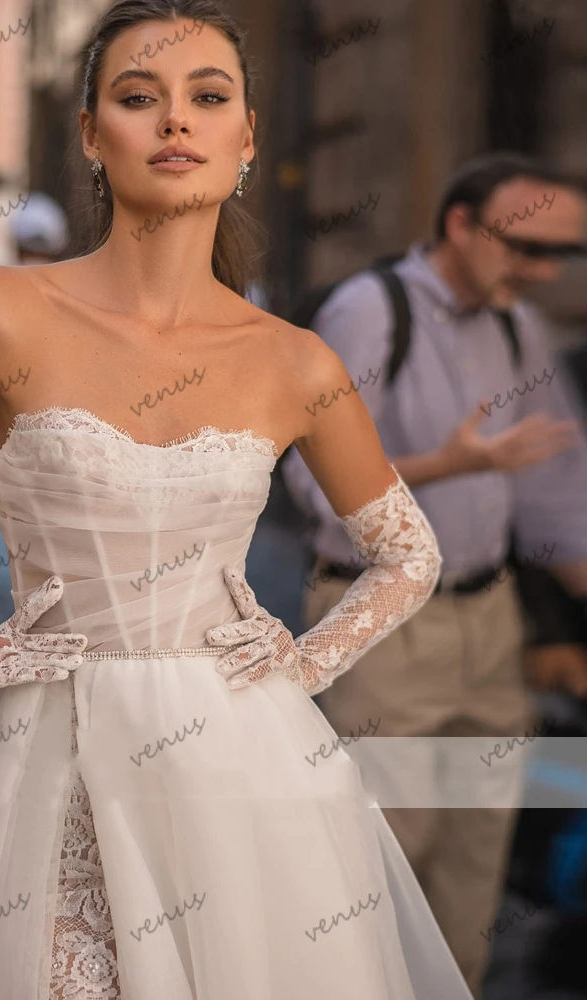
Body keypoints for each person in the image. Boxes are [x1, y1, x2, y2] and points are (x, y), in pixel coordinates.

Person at [0, 2, 475, 996]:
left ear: (245, 136)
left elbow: (410, 554)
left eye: (208, 97)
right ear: (90, 133)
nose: (176, 121)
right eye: (139, 97)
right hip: (43, 756)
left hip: (243, 760)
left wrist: (304, 661)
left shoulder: (294, 359)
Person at [281, 151, 587, 998]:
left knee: (475, 861)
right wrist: (449, 466)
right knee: (381, 858)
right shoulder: (371, 313)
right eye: (524, 249)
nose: (541, 272)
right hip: (382, 621)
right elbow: (313, 484)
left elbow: (561, 493)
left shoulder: (517, 326)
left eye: (561, 256)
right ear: (459, 224)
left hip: (489, 627)